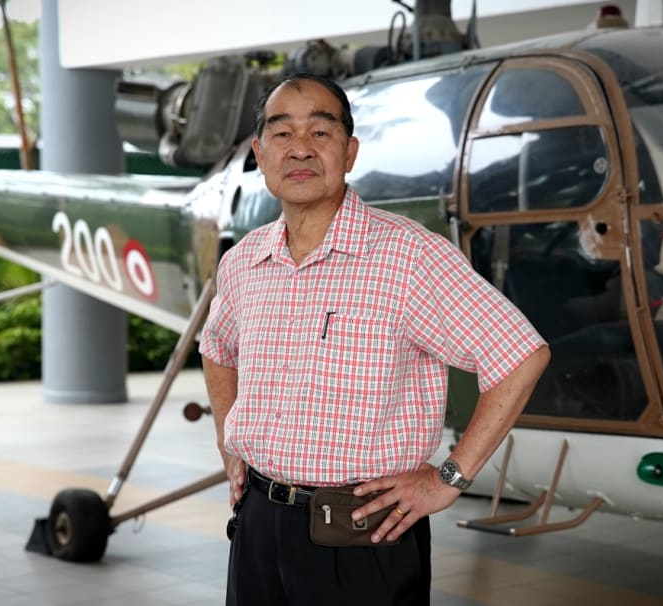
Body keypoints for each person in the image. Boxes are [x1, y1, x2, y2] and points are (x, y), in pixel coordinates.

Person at [199, 72, 550, 606]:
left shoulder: (408, 255)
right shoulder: (246, 259)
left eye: (321, 132)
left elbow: (521, 354)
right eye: (282, 133)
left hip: (361, 533)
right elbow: (217, 348)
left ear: (350, 150)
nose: (301, 149)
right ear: (260, 153)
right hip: (257, 524)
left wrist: (450, 477)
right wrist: (232, 445)